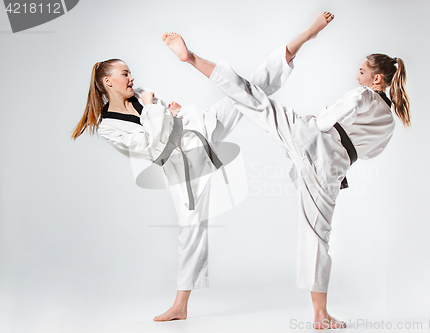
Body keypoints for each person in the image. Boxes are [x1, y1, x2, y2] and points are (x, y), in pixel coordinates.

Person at [163, 11, 411, 329]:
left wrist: (314, 121)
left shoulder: (363, 94)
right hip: (332, 169)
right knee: (318, 236)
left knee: (251, 98)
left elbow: (324, 122)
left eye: (362, 71)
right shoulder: (390, 121)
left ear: (377, 80)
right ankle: (321, 316)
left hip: (312, 140)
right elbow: (371, 152)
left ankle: (191, 59)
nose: (357, 76)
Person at [70, 39, 297, 321]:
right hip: (183, 168)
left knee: (243, 93)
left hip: (198, 130)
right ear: (109, 82)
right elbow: (151, 148)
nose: (132, 78)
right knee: (190, 231)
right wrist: (156, 109)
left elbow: (163, 124)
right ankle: (181, 305)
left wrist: (166, 112)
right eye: (125, 73)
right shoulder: (109, 126)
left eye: (129, 72)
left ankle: (291, 50)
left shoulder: (141, 94)